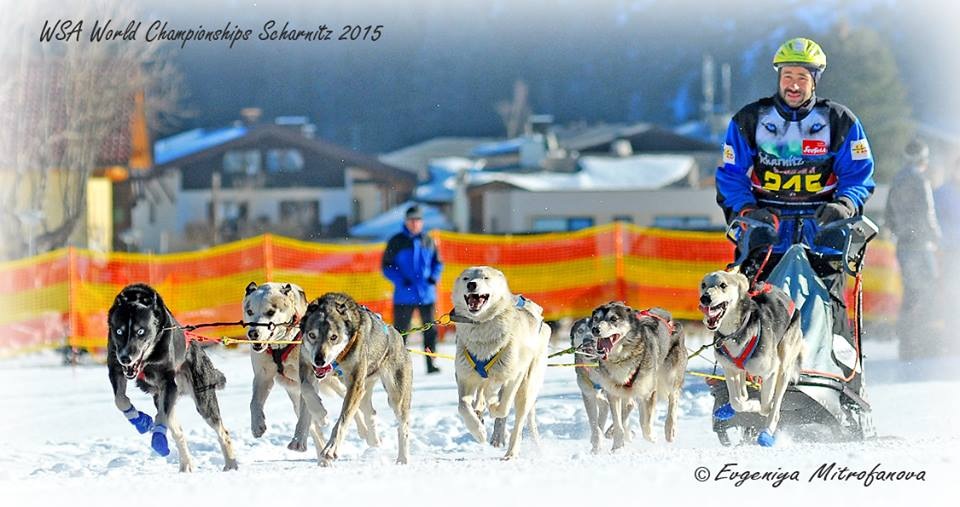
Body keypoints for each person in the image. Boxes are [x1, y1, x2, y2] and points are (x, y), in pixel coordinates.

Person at [715, 37, 876, 338]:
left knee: (829, 301)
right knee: (753, 303)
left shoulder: (839, 120)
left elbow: (859, 175)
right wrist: (748, 211)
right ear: (778, 77)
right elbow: (730, 175)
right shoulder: (750, 119)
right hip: (767, 228)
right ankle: (741, 373)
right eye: (787, 75)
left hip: (823, 227)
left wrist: (844, 205)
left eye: (802, 77)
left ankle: (839, 374)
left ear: (815, 80)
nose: (793, 84)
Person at [885, 139, 941, 359]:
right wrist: (937, 239)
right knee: (926, 292)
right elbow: (928, 214)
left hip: (903, 244)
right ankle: (921, 343)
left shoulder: (897, 180)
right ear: (923, 160)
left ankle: (906, 345)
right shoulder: (920, 180)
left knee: (909, 293)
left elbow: (889, 215)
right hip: (920, 245)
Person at [382, 204, 444, 373]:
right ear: (406, 221)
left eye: (417, 220)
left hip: (427, 295)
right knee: (400, 333)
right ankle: (396, 366)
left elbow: (437, 263)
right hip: (403, 295)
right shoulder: (396, 241)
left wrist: (433, 277)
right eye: (411, 220)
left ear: (422, 222)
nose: (414, 223)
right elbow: (387, 267)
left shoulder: (428, 240)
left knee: (430, 331)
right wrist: (401, 280)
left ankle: (431, 364)